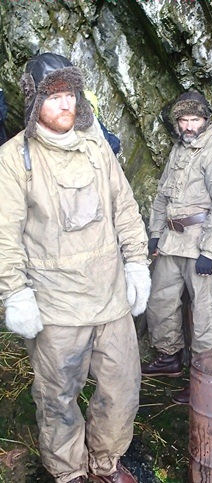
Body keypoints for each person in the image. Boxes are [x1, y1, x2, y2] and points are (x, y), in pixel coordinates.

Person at [0, 52, 151, 483]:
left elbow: (124, 206)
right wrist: (15, 293)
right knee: (58, 398)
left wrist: (137, 263)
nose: (65, 105)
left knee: (121, 390)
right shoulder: (14, 159)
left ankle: (105, 464)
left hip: (110, 297)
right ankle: (68, 473)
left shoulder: (95, 143)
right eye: (53, 97)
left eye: (70, 94)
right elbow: (4, 235)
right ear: (33, 105)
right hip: (56, 307)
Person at [142, 91, 212, 404]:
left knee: (206, 315)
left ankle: (207, 381)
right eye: (183, 120)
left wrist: (210, 252)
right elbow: (161, 197)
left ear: (206, 119)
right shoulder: (179, 149)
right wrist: (155, 234)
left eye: (194, 119)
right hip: (172, 241)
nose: (188, 126)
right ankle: (168, 358)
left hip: (201, 243)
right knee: (159, 302)